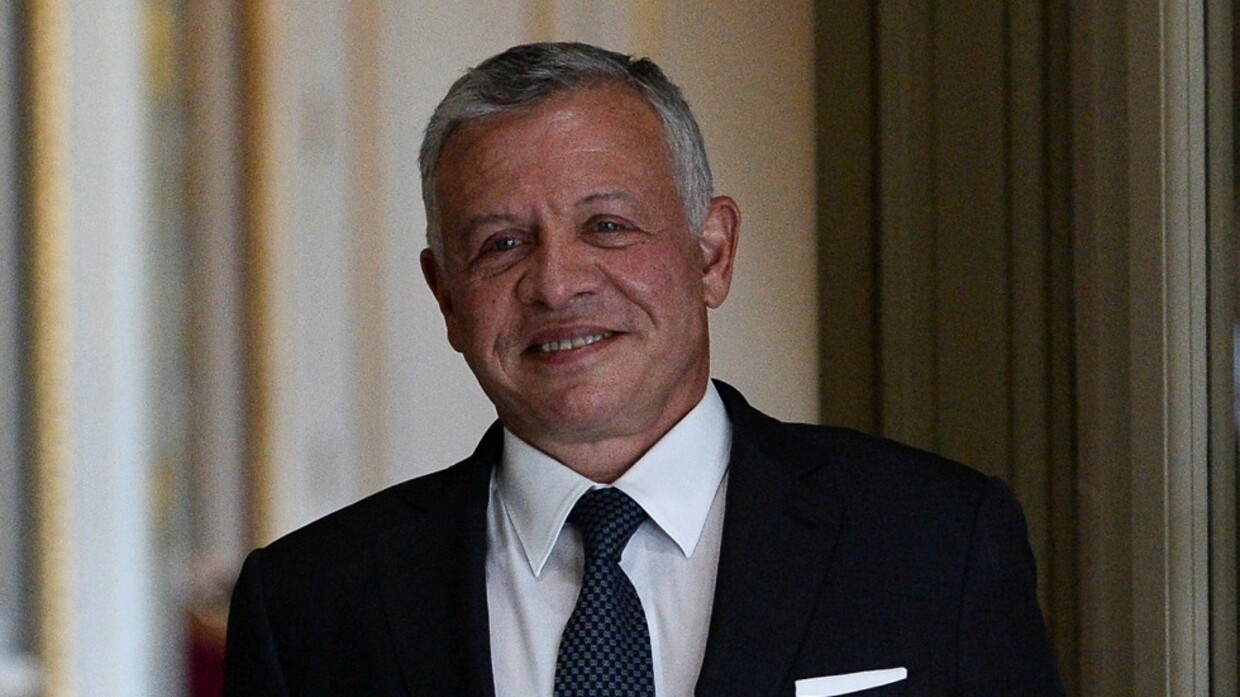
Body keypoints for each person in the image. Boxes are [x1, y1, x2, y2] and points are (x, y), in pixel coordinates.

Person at [224, 42, 1064, 696]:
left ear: (712, 253)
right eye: (502, 244)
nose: (557, 283)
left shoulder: (937, 543)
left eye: (608, 226)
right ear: (446, 296)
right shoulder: (307, 606)